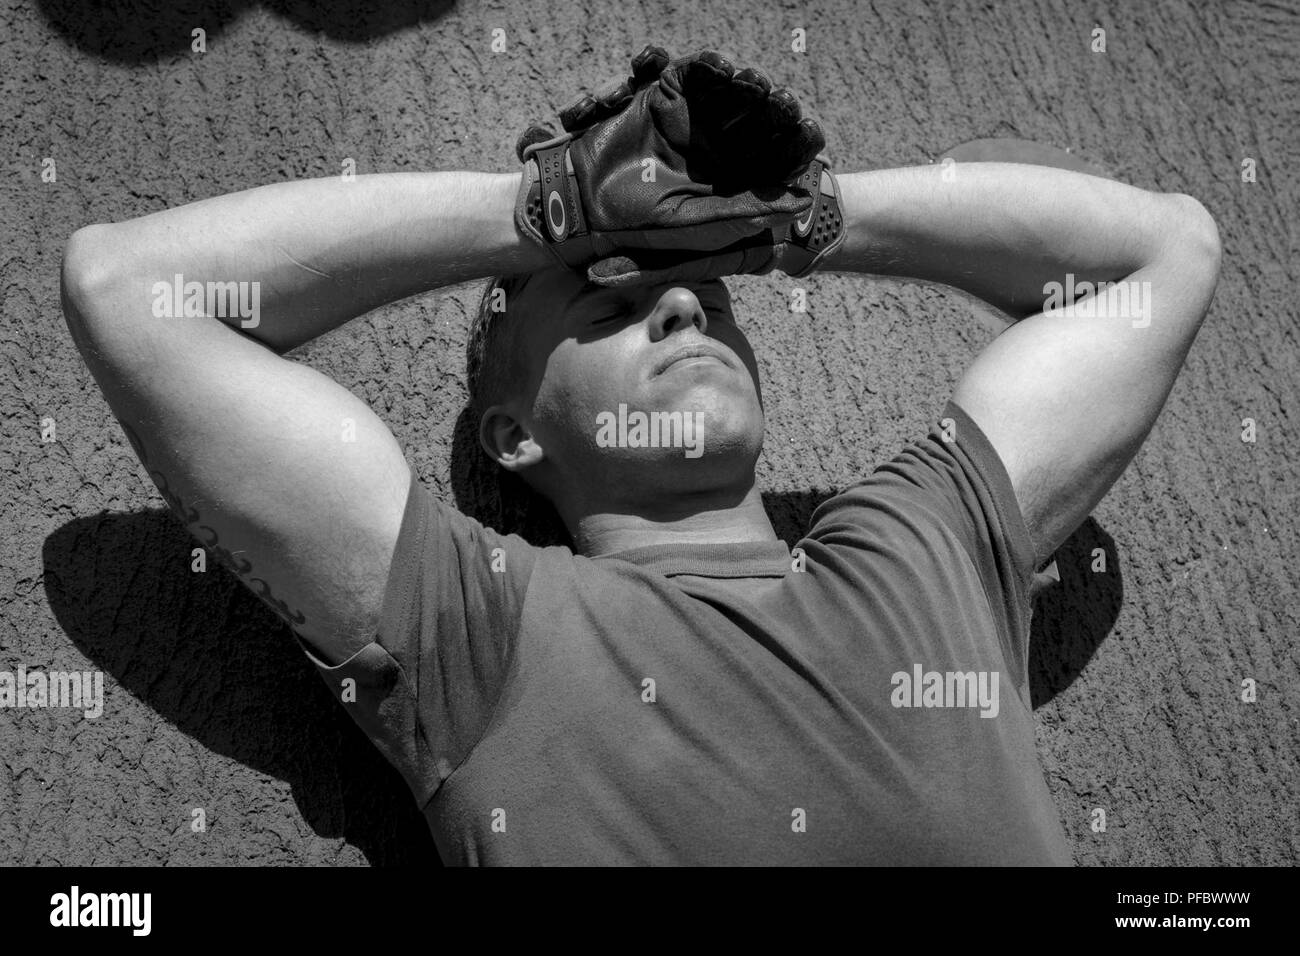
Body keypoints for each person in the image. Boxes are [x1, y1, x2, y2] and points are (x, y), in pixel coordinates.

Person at [60, 48, 1221, 865]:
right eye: (610, 303)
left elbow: (1165, 251)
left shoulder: (924, 541)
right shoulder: (475, 627)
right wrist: (552, 208)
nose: (682, 310)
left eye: (707, 285)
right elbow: (128, 291)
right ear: (511, 434)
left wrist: (800, 215)